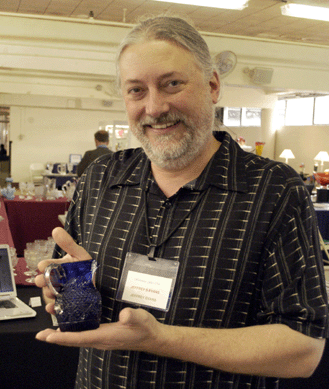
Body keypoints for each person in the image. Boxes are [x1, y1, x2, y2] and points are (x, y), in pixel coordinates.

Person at [35, 15, 328, 389]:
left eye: (172, 84)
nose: (155, 108)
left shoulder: (275, 190)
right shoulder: (101, 179)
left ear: (212, 85)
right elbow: (77, 281)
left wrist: (159, 339)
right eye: (136, 90)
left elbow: (303, 350)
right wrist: (67, 288)